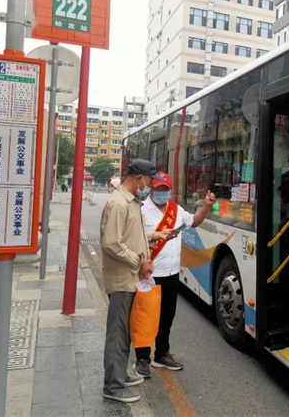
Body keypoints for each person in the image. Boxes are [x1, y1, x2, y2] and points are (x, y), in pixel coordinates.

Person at [100, 159, 175, 403]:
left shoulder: (131, 202)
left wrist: (155, 235)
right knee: (118, 332)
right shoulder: (118, 204)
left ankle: (119, 374)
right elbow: (111, 243)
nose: (150, 186)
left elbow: (132, 233)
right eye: (150, 181)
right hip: (122, 278)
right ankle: (113, 385)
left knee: (126, 331)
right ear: (139, 178)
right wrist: (138, 262)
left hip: (131, 278)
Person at [134, 172, 216, 378]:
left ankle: (162, 354)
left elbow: (194, 222)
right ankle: (142, 358)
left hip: (172, 273)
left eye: (165, 189)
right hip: (150, 274)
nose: (162, 192)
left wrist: (206, 206)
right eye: (159, 189)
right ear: (152, 190)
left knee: (167, 317)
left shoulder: (175, 209)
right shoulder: (141, 210)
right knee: (146, 317)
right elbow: (133, 238)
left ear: (169, 190)